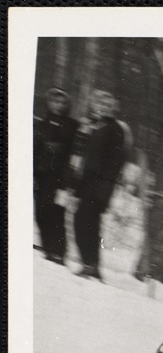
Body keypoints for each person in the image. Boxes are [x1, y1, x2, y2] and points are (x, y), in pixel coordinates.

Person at [70, 91, 128, 279]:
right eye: (101, 105)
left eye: (108, 106)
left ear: (114, 110)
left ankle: (90, 263)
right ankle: (90, 263)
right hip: (86, 181)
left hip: (100, 184)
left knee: (85, 221)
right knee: (84, 222)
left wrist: (105, 188)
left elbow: (116, 162)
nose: (104, 108)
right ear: (95, 106)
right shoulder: (93, 126)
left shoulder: (116, 130)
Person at [34, 87, 79, 265]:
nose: (58, 105)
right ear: (49, 102)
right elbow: (35, 148)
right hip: (41, 175)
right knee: (40, 211)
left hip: (60, 177)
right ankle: (47, 247)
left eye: (62, 102)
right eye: (54, 101)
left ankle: (59, 252)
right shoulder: (41, 124)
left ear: (67, 105)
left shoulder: (72, 125)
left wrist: (69, 180)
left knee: (57, 213)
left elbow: (73, 153)